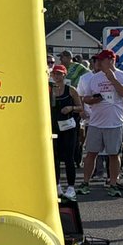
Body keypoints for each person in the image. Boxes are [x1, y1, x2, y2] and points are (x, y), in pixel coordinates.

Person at [76, 49, 123, 196]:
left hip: (115, 122)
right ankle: (85, 183)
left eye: (102, 60)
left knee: (114, 154)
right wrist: (94, 100)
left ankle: (113, 184)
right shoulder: (94, 78)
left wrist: (112, 79)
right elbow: (86, 98)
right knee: (91, 153)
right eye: (97, 60)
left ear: (111, 60)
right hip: (95, 122)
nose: (98, 62)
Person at [49, 64, 81, 199]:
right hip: (54, 127)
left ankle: (71, 187)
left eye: (59, 74)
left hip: (68, 127)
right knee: (54, 158)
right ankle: (57, 185)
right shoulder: (49, 90)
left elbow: (80, 107)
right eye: (54, 73)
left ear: (64, 75)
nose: (56, 76)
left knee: (69, 158)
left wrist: (71, 108)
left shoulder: (71, 90)